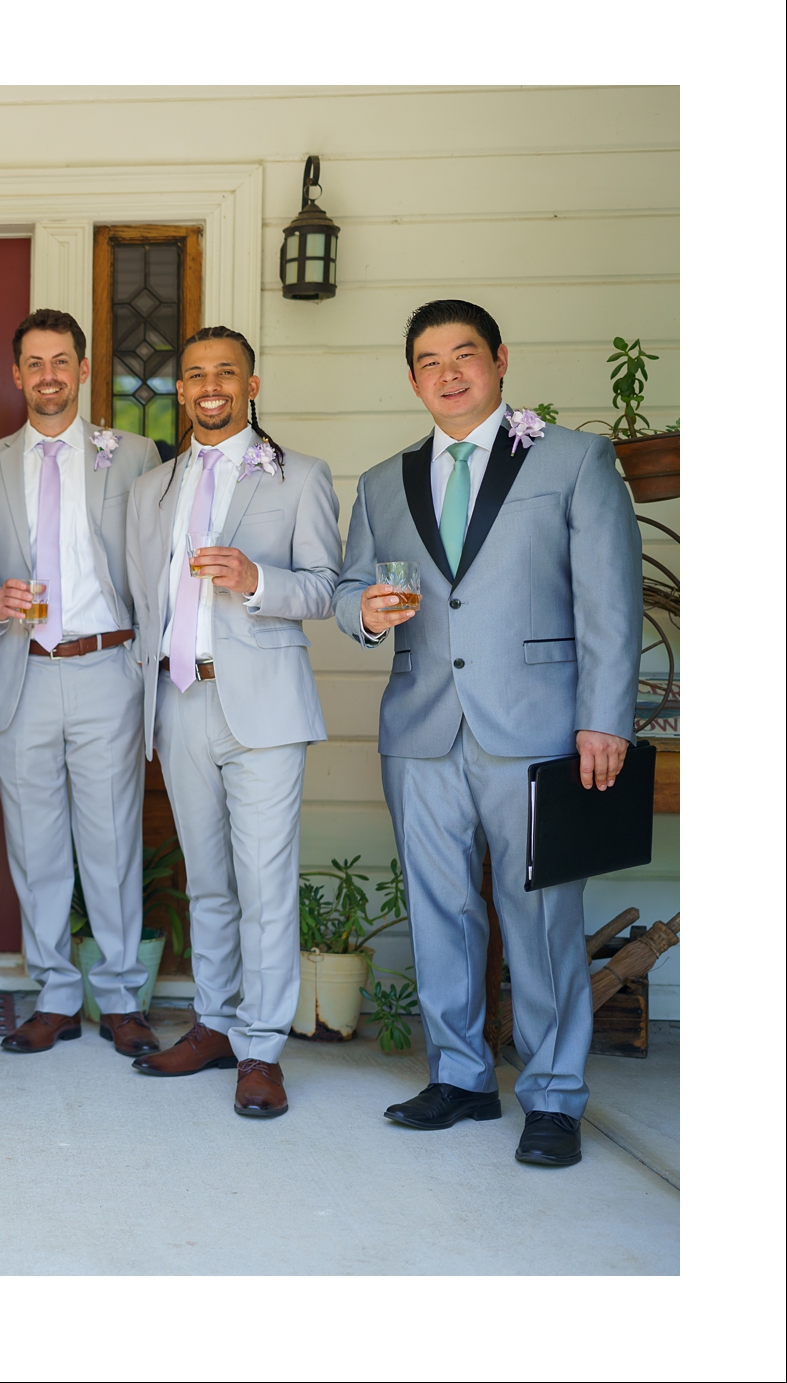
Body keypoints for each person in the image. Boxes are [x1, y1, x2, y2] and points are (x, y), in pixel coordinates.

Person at [336, 299, 640, 1168]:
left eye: (464, 354)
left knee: (542, 914)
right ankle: (463, 1077)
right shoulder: (383, 481)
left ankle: (551, 1093)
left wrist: (602, 719)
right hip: (421, 727)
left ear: (500, 360)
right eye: (429, 361)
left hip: (543, 729)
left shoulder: (574, 459)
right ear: (412, 379)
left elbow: (611, 601)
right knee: (439, 912)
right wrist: (362, 607)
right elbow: (351, 586)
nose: (448, 373)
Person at [125, 327, 340, 1117]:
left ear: (252, 385)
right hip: (178, 699)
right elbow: (143, 599)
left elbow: (324, 587)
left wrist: (256, 579)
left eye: (226, 373)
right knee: (207, 879)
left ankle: (262, 1047)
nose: (209, 386)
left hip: (264, 708)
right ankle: (214, 1022)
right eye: (194, 375)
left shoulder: (300, 476)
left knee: (264, 883)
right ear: (179, 391)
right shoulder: (153, 487)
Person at [0, 310, 159, 1056]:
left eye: (60, 361)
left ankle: (121, 994)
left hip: (107, 665)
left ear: (81, 369)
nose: (48, 374)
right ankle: (54, 993)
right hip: (22, 668)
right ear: (17, 374)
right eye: (34, 362)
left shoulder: (135, 454)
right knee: (36, 846)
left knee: (111, 840)